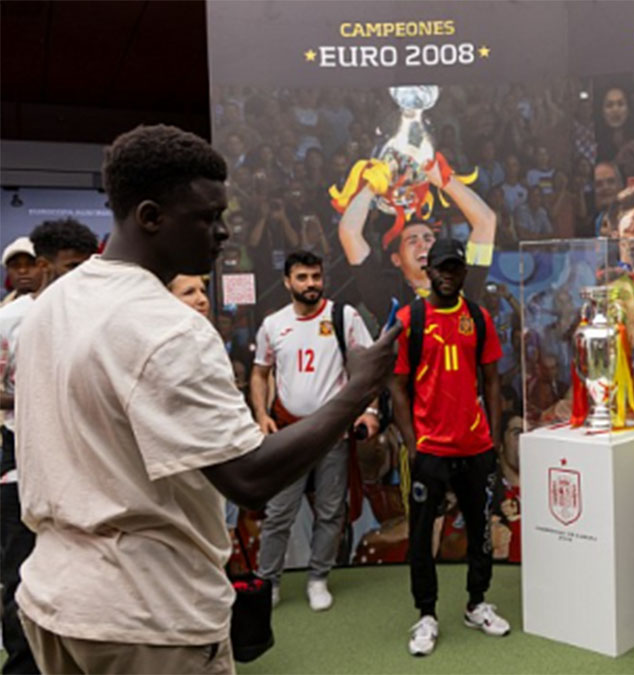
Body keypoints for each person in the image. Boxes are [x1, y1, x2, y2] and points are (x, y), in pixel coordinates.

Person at [13, 124, 398, 674]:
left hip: (54, 597)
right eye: (207, 217)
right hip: (147, 615)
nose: (222, 232)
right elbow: (249, 478)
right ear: (150, 217)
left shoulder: (53, 303)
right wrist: (360, 386)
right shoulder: (169, 328)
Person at [389, 238, 508, 657]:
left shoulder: (477, 317)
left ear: (463, 272)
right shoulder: (410, 319)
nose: (447, 274)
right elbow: (397, 388)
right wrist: (413, 443)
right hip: (430, 449)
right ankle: (426, 614)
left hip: (474, 446)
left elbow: (492, 381)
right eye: (440, 267)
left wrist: (492, 437)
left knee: (481, 530)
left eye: (454, 267)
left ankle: (477, 603)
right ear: (428, 271)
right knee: (422, 534)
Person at [250, 251, 378, 611]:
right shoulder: (273, 324)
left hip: (332, 433)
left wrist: (368, 411)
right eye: (302, 277)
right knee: (278, 513)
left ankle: (319, 578)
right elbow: (260, 372)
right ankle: (268, 581)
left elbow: (368, 367)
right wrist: (261, 414)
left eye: (316, 276)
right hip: (290, 434)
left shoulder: (344, 316)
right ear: (287, 282)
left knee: (330, 511)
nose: (310, 284)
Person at [0, 219, 97, 675]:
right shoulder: (13, 320)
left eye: (87, 265)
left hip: (84, 463)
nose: (82, 276)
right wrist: (38, 397)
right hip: (21, 459)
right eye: (72, 266)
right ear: (45, 267)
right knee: (22, 575)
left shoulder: (96, 316)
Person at [336, 145, 496, 322]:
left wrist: (445, 182)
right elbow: (349, 233)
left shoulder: (463, 285)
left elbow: (486, 222)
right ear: (396, 259)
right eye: (412, 241)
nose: (423, 244)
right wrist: (372, 186)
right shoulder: (387, 298)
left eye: (428, 238)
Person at [1, 238, 41, 307]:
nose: (22, 271)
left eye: (31, 264)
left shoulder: (58, 303)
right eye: (15, 265)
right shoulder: (3, 307)